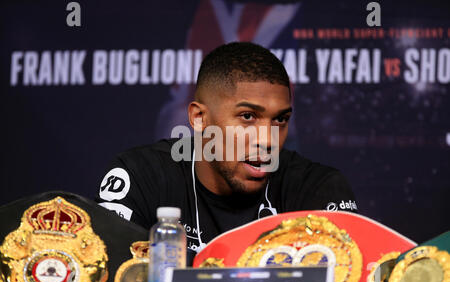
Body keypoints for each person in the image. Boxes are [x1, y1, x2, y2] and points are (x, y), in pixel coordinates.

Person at [96, 42, 357, 265]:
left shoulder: (317, 189)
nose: (268, 141)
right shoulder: (142, 176)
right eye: (247, 117)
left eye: (280, 120)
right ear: (199, 118)